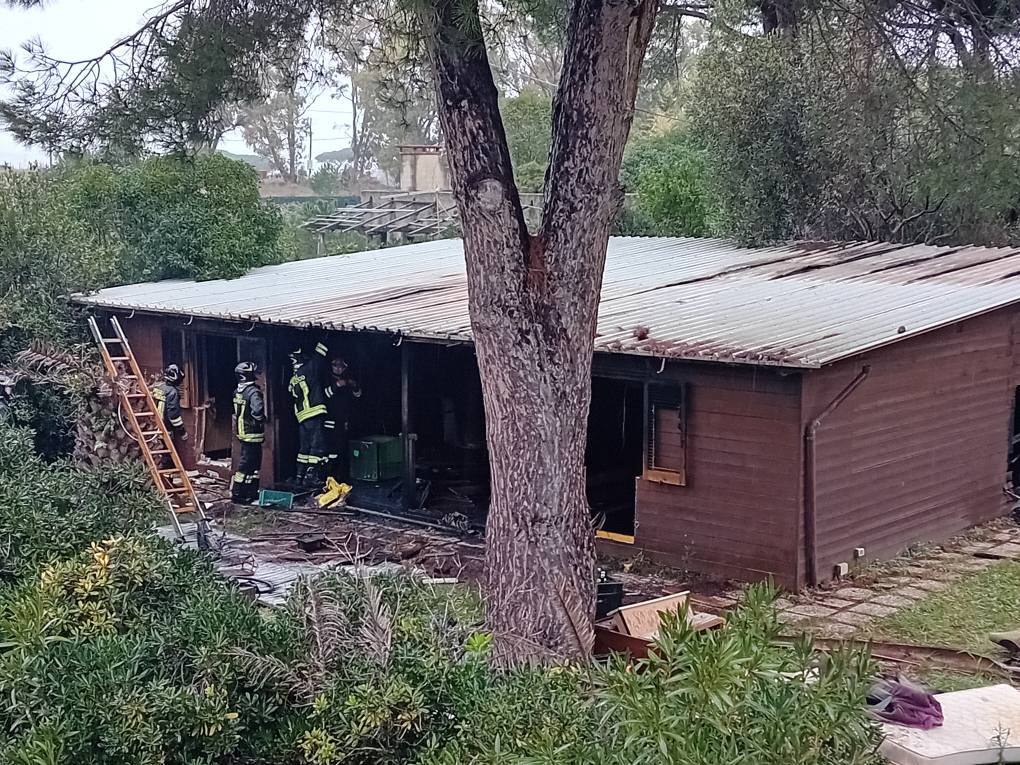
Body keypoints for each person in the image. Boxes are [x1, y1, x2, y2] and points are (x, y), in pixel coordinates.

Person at [288, 342, 329, 488]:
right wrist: (325, 338)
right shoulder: (308, 369)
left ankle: (299, 476)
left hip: (302, 418)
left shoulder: (293, 379)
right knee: (317, 447)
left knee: (304, 449)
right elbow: (319, 356)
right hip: (314, 413)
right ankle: (311, 476)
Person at [231, 361, 266, 504]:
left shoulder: (237, 391)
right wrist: (261, 419)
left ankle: (250, 493)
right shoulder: (253, 392)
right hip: (253, 432)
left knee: (251, 465)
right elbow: (257, 411)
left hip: (242, 431)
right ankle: (238, 494)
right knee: (249, 465)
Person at [324, 355, 362, 480]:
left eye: (342, 367)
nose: (339, 369)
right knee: (330, 452)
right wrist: (337, 385)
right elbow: (324, 396)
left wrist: (354, 386)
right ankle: (328, 477)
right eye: (336, 366)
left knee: (342, 450)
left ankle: (340, 477)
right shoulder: (326, 379)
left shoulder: (347, 381)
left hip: (343, 422)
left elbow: (357, 396)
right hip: (329, 422)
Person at [151, 364, 188, 441]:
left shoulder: (158, 387)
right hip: (165, 429)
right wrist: (182, 432)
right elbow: (173, 415)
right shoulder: (172, 392)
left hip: (152, 426)